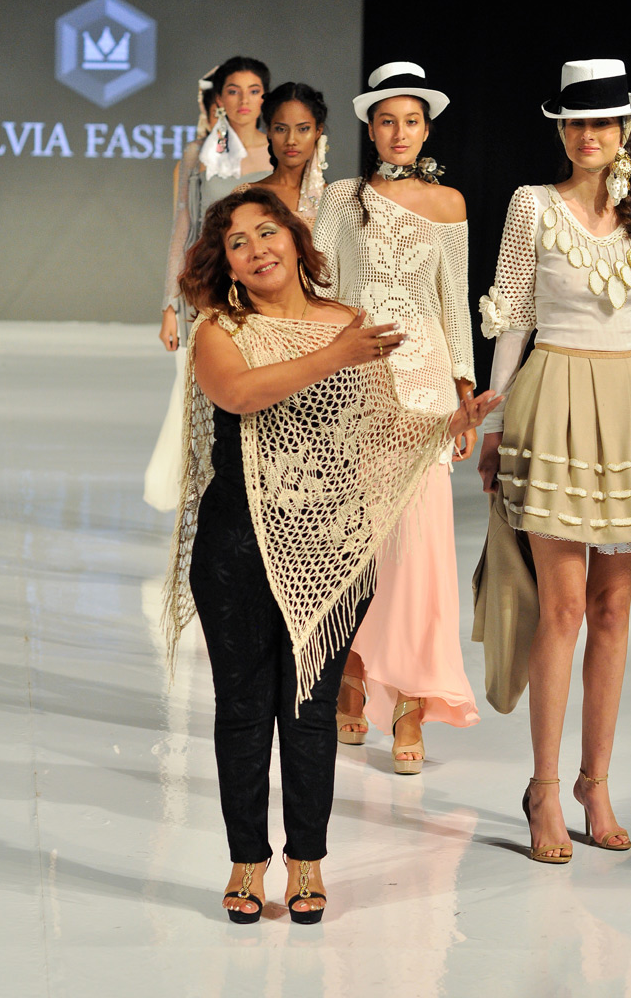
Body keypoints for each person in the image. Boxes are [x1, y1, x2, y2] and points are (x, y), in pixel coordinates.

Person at [161, 187, 500, 922]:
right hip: (237, 545)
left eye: (267, 232)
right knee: (243, 707)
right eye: (237, 243)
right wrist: (335, 355)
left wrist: (447, 424)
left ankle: (307, 862)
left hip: (329, 543)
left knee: (310, 706)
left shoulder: (348, 323)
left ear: (294, 237)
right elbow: (240, 394)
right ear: (225, 264)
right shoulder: (221, 328)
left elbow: (378, 427)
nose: (257, 249)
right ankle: (247, 861)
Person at [477, 59, 631, 863]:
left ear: (623, 129)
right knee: (561, 609)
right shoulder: (531, 205)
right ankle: (544, 789)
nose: (588, 134)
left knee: (613, 609)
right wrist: (492, 422)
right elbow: (512, 316)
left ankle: (595, 783)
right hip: (551, 399)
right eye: (575, 122)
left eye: (602, 121)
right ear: (560, 130)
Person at [313, 62, 480, 772]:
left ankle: (410, 703)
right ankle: (351, 674)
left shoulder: (448, 203)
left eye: (411, 121)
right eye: (387, 121)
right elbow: (318, 286)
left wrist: (465, 394)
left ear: (426, 129)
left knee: (419, 549)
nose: (399, 132)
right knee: (357, 542)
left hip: (424, 389)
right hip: (354, 383)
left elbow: (453, 300)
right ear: (370, 127)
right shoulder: (340, 198)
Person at [144, 57, 271, 512]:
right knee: (193, 397)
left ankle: (242, 498)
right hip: (206, 295)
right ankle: (187, 495)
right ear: (218, 99)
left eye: (253, 90)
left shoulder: (278, 152)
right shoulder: (199, 155)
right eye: (233, 91)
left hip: (261, 295)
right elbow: (183, 228)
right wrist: (169, 304)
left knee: (251, 397)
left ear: (264, 97)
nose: (244, 100)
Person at [233, 81, 328, 229]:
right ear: (269, 131)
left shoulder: (334, 199)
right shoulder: (247, 196)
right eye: (281, 129)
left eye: (303, 129)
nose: (291, 140)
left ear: (318, 131)